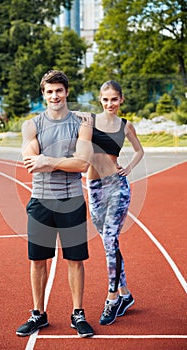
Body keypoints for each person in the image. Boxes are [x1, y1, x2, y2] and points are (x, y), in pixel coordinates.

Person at [16, 70, 94, 338]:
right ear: (43, 94)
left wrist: (47, 161)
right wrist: (61, 161)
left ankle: (78, 314)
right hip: (40, 201)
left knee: (75, 260)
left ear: (67, 92)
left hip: (71, 200)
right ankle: (38, 314)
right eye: (49, 91)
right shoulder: (31, 125)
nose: (54, 96)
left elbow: (82, 163)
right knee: (38, 260)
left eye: (59, 90)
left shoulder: (83, 123)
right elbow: (31, 163)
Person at [86, 80, 144, 325]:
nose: (110, 103)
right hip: (94, 188)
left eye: (114, 99)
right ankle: (125, 294)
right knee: (109, 243)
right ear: (100, 99)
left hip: (116, 188)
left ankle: (112, 298)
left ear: (121, 100)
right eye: (106, 99)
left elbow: (140, 150)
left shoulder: (125, 125)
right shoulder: (89, 122)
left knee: (110, 240)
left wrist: (128, 168)